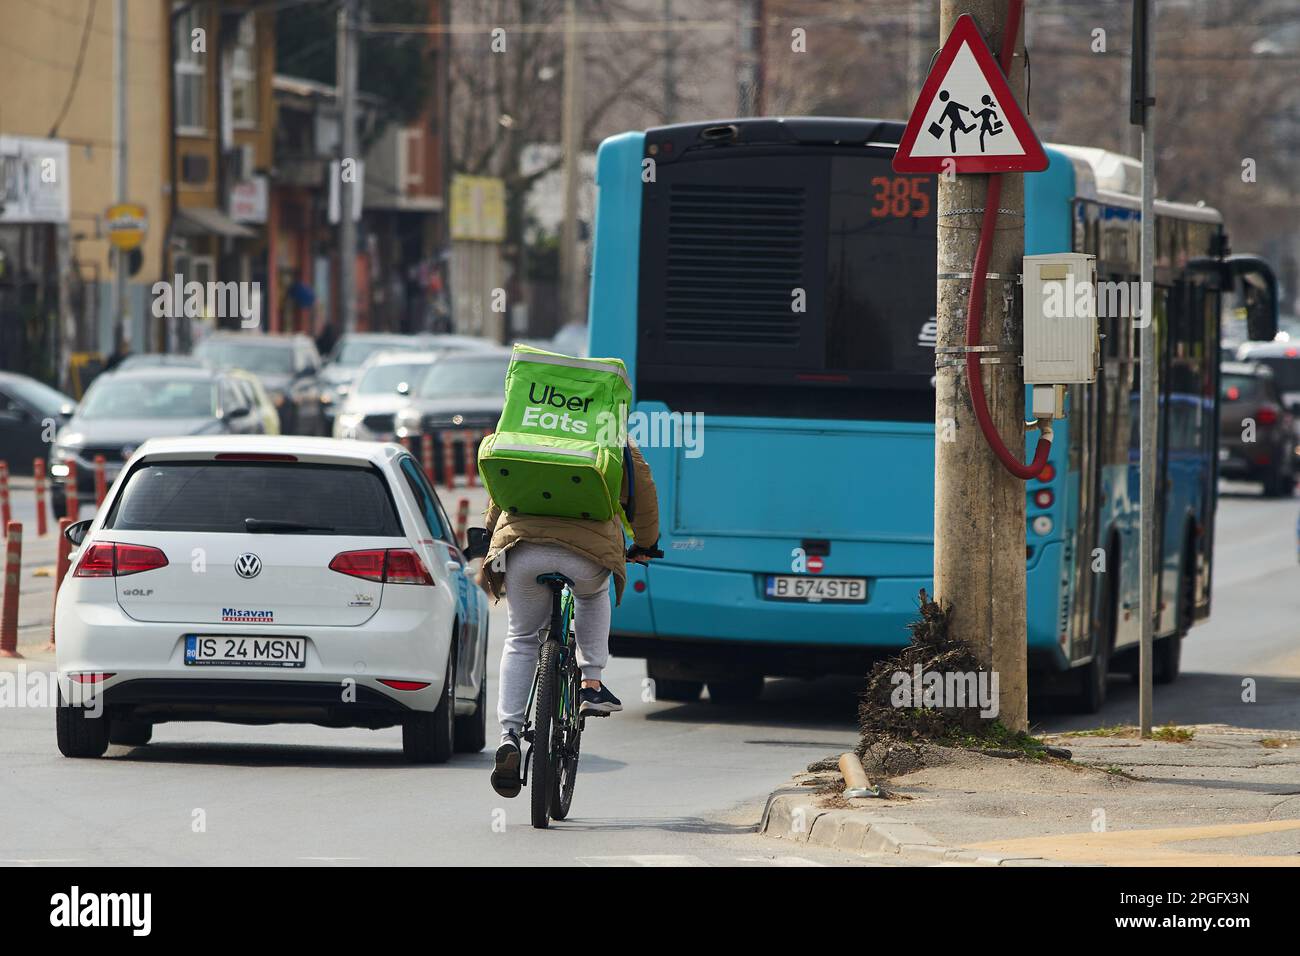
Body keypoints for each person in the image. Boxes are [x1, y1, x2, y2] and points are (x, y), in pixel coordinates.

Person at [479, 438, 660, 799]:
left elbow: (502, 486)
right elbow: (643, 494)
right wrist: (645, 543)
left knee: (521, 637)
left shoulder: (525, 423)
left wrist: (489, 533)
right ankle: (591, 684)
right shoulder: (614, 435)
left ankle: (510, 735)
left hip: (523, 550)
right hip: (587, 552)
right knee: (592, 593)